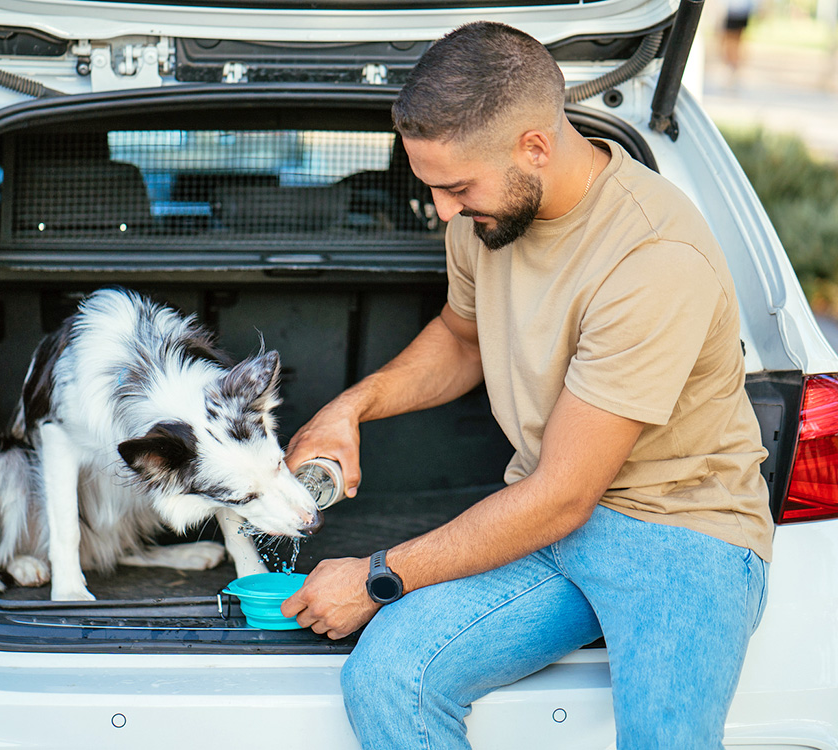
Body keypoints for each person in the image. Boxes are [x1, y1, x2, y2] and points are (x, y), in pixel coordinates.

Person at [281, 21, 772, 749]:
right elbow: (460, 336)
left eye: (455, 188)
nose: (444, 211)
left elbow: (564, 494)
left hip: (680, 535)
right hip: (550, 524)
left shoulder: (653, 257)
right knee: (388, 677)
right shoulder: (483, 220)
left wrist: (378, 577)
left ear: (534, 147)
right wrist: (350, 408)